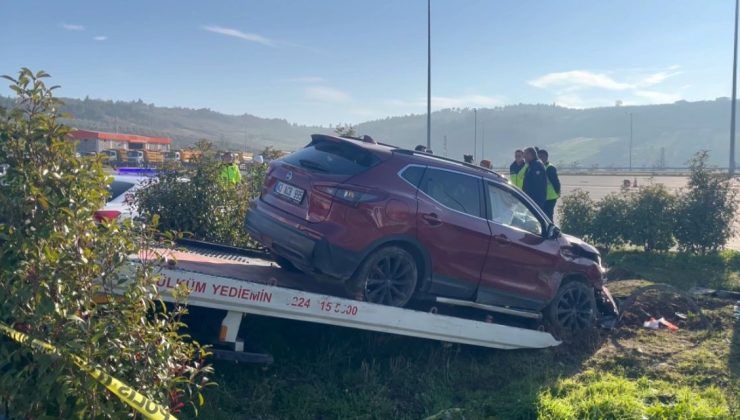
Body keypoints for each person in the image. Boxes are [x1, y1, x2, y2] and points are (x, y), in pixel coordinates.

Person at [537, 149, 561, 221]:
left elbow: (556, 182)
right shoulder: (539, 166)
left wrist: (558, 192)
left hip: (550, 197)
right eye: (539, 157)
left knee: (548, 216)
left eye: (542, 157)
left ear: (546, 157)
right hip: (543, 197)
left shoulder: (550, 168)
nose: (540, 158)